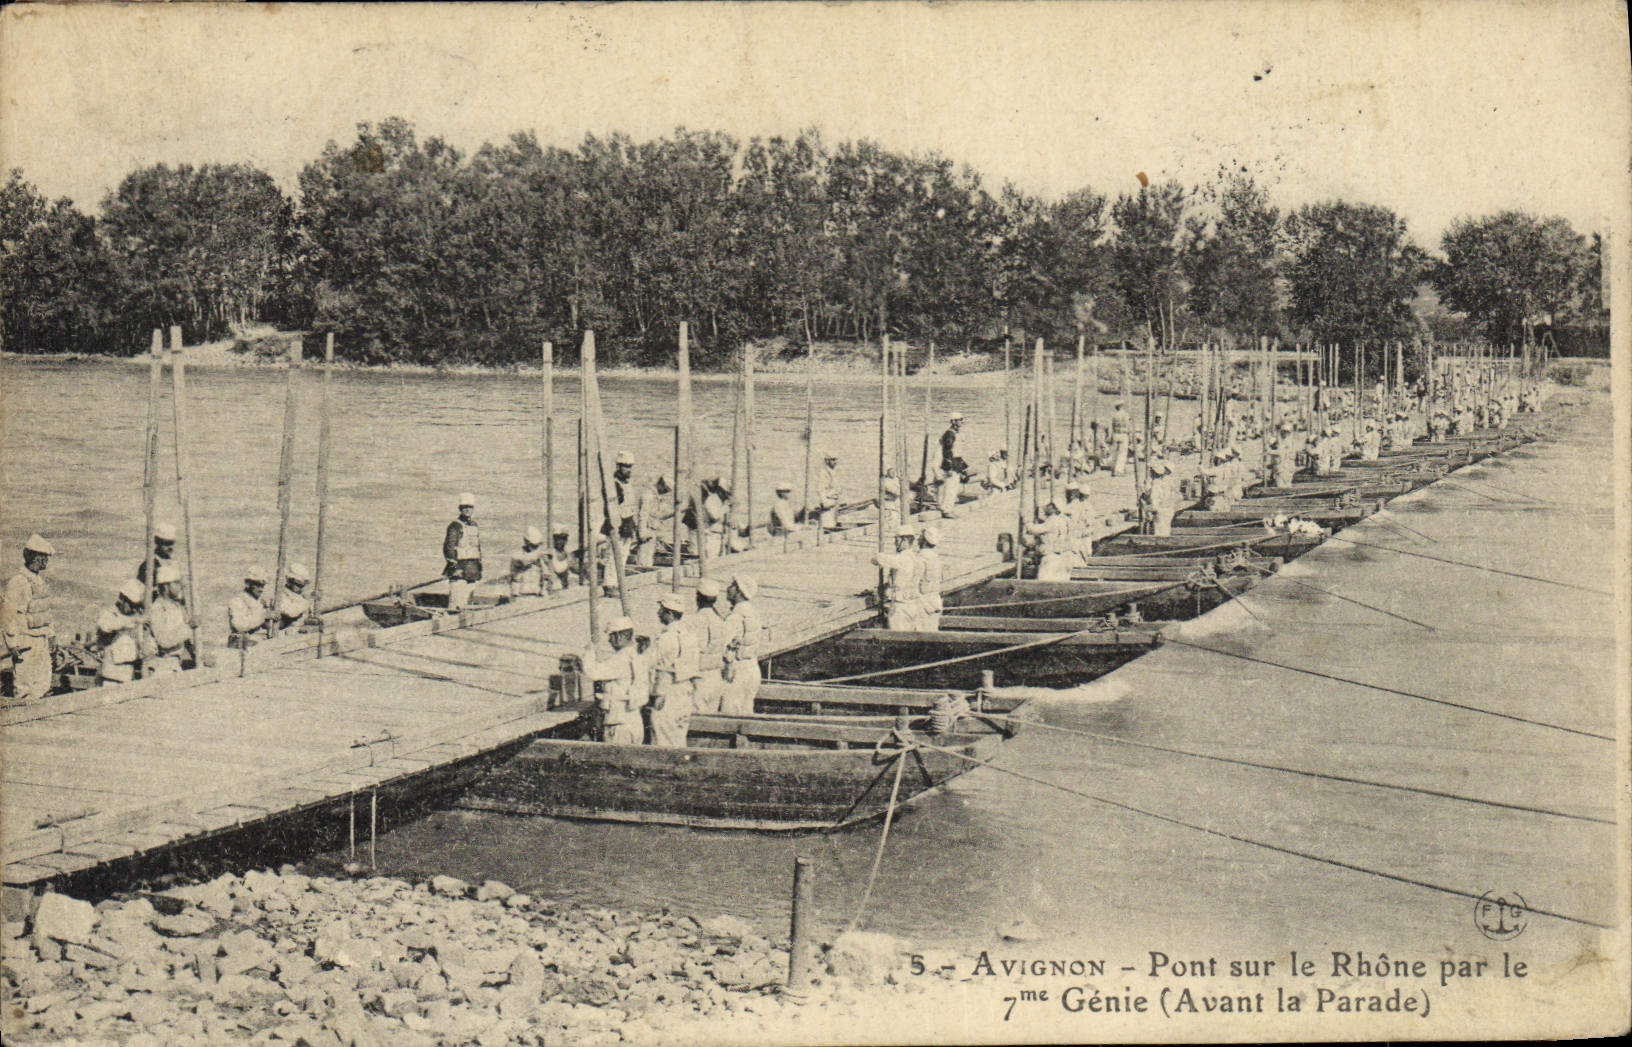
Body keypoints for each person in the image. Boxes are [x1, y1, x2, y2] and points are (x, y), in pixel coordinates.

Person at [2, 535, 57, 700]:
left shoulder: (39, 582)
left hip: (42, 642)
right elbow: (9, 616)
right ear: (32, 557)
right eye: (42, 556)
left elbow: (45, 613)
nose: (45, 560)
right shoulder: (18, 582)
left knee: (42, 687)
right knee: (25, 689)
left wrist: (52, 636)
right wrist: (12, 644)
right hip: (26, 644)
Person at [583, 616, 646, 745]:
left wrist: (589, 652)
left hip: (619, 723)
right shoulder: (635, 656)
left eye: (611, 636)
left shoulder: (620, 659)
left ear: (619, 636)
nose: (609, 640)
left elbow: (593, 672)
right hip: (633, 720)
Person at [648, 592, 695, 747]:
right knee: (678, 740)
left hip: (668, 692)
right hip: (685, 692)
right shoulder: (688, 635)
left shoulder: (667, 637)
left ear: (669, 613)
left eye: (661, 609)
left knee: (663, 739)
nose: (658, 613)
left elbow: (649, 661)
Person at [720, 574, 762, 716]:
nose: (728, 588)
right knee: (747, 712)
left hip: (737, 670)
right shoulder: (753, 613)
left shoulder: (735, 616)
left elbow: (723, 645)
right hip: (753, 668)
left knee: (729, 714)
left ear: (739, 591)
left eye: (732, 586)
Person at [95, 579, 150, 685]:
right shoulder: (109, 614)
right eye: (131, 605)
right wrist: (133, 620)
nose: (133, 609)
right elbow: (106, 626)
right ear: (122, 599)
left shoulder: (134, 618)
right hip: (111, 675)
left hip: (128, 674)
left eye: (136, 606)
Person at [687, 578, 729, 714]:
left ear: (698, 597)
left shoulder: (694, 621)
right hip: (716, 675)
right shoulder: (720, 620)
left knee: (696, 719)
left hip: (700, 676)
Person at [871, 525, 923, 630]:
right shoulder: (916, 558)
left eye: (896, 539)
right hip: (913, 603)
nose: (895, 543)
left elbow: (878, 559)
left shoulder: (903, 558)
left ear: (905, 540)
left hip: (900, 604)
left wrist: (877, 556)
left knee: (897, 635)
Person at [147, 563, 193, 673]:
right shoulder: (157, 608)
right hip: (162, 665)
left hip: (176, 663)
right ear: (166, 586)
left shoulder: (177, 607)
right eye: (176, 583)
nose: (180, 586)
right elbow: (163, 641)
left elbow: (186, 640)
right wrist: (187, 627)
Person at [443, 493, 482, 611]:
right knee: (455, 606)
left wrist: (479, 568)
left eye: (470, 507)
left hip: (472, 570)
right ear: (460, 508)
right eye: (465, 507)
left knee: (466, 606)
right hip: (459, 570)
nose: (467, 510)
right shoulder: (455, 526)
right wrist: (454, 567)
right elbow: (448, 548)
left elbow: (477, 548)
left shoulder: (474, 525)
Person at [635, 475, 673, 567]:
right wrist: (642, 532)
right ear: (661, 484)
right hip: (646, 529)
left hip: (652, 529)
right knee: (643, 558)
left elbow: (658, 515)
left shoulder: (656, 496)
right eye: (666, 489)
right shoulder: (648, 495)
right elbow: (643, 514)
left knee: (648, 558)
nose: (665, 492)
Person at [227, 568, 270, 648]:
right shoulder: (238, 600)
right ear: (248, 584)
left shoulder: (261, 602)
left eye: (263, 585)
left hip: (262, 645)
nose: (261, 589)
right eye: (257, 585)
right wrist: (263, 617)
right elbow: (239, 625)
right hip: (243, 646)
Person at [135, 521, 179, 591]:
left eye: (172, 543)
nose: (170, 547)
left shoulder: (173, 563)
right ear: (157, 542)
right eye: (166, 543)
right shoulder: (149, 566)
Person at [1034, 503, 1073, 581]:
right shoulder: (1062, 520)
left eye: (1047, 508)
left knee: (1045, 580)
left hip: (1051, 555)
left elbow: (1036, 530)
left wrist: (1027, 523)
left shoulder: (1052, 520)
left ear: (1053, 509)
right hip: (1062, 555)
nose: (1044, 510)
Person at [916, 527, 944, 632]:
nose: (917, 540)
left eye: (920, 537)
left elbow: (914, 582)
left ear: (924, 541)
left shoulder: (920, 558)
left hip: (923, 603)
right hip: (935, 600)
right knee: (933, 632)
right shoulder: (936, 558)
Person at [508, 527, 548, 597]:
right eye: (533, 545)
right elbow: (523, 561)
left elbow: (546, 574)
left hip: (536, 594)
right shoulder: (517, 555)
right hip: (521, 595)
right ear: (526, 542)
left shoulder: (539, 556)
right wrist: (538, 556)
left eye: (536, 546)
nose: (535, 548)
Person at [275, 564, 313, 633]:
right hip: (285, 634)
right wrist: (308, 601)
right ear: (289, 581)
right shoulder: (280, 595)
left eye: (303, 585)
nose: (301, 588)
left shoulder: (298, 596)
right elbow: (291, 612)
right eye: (298, 584)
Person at [1147, 458, 1179, 538]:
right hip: (1169, 509)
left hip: (1160, 510)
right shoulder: (1171, 481)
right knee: (1166, 530)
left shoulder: (1156, 483)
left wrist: (1151, 510)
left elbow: (1154, 498)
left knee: (1158, 532)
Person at [818, 454, 842, 531]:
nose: (835, 462)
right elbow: (821, 488)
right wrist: (824, 501)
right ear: (827, 461)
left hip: (834, 500)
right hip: (828, 500)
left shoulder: (833, 471)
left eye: (836, 459)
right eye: (833, 459)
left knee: (833, 522)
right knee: (827, 525)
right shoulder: (824, 473)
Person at [1109, 402, 1131, 476]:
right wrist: (1129, 434)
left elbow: (1111, 426)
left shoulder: (1114, 415)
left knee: (1115, 453)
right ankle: (1118, 470)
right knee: (1122, 453)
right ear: (1122, 406)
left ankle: (1113, 469)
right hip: (1123, 434)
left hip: (1115, 434)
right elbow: (1128, 425)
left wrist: (1110, 436)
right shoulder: (1125, 415)